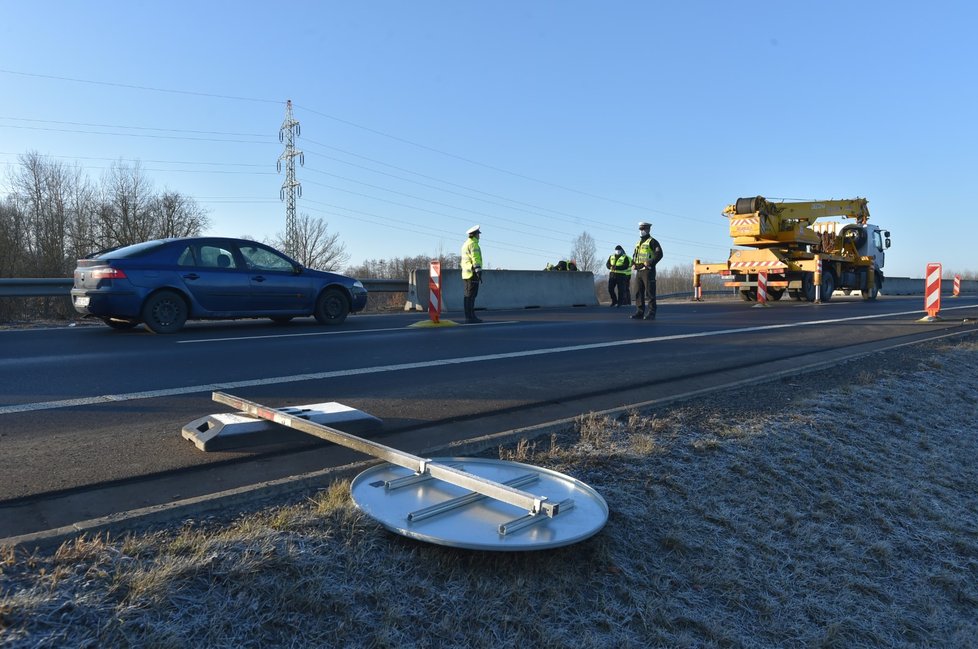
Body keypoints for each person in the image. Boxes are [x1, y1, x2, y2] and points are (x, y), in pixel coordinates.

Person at [631, 222, 663, 320]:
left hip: (648, 271)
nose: (641, 231)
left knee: (649, 293)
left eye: (643, 229)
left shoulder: (652, 241)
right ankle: (639, 312)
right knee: (638, 292)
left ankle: (651, 313)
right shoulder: (638, 243)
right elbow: (635, 255)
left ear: (648, 230)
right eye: (640, 229)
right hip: (639, 271)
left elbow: (659, 254)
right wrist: (632, 263)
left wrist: (650, 262)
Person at [461, 224, 483, 323]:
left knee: (467, 296)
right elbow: (475, 258)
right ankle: (471, 317)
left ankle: (468, 316)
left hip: (466, 273)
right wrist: (478, 270)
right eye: (478, 234)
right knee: (472, 296)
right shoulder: (473, 244)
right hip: (472, 272)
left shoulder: (465, 243)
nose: (479, 236)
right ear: (475, 234)